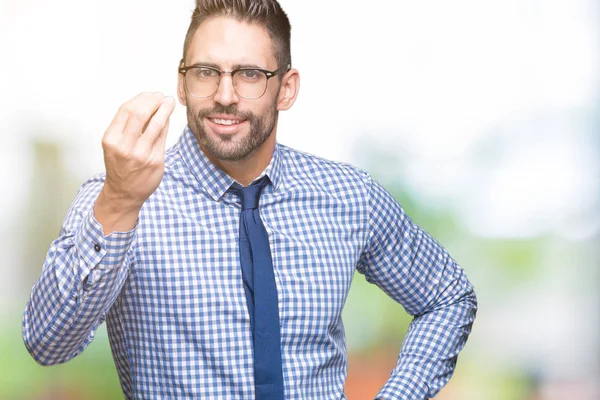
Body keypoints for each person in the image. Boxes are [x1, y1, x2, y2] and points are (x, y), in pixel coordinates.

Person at [22, 0, 477, 399]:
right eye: (206, 73)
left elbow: (448, 296)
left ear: (287, 87)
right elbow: (47, 343)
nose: (224, 95)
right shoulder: (119, 195)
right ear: (181, 84)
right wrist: (120, 203)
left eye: (249, 74)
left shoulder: (348, 196)